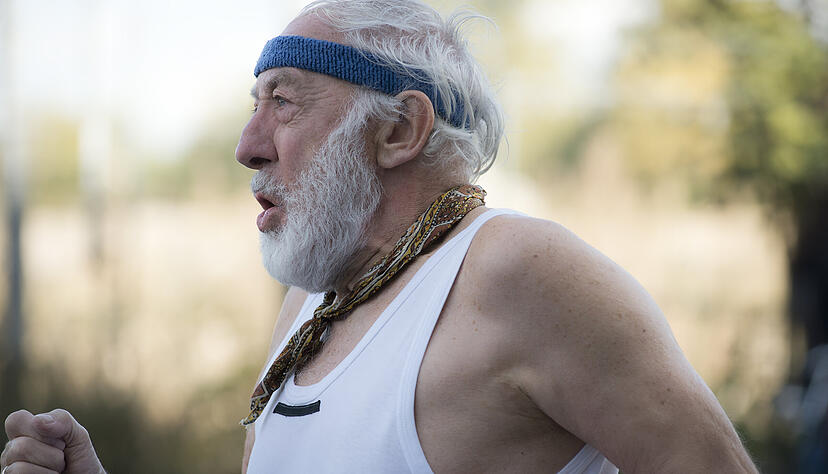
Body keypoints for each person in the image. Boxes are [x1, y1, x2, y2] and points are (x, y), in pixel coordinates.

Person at [2, 0, 759, 472]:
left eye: (284, 103)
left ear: (398, 130)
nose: (247, 146)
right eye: (253, 105)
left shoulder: (519, 271)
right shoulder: (312, 302)